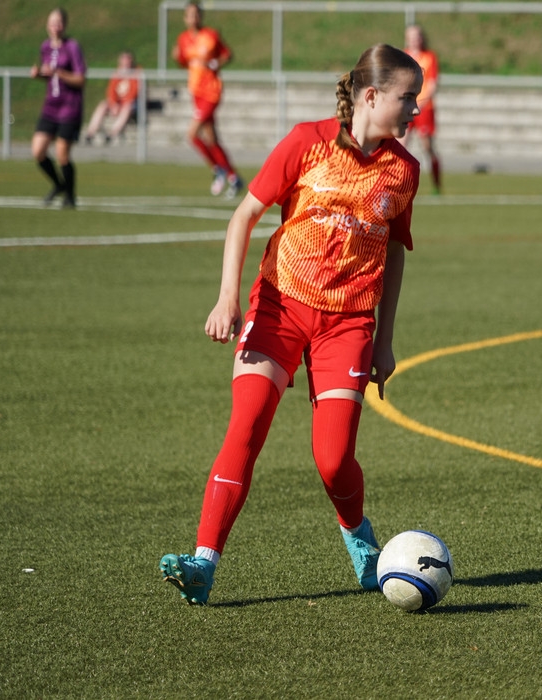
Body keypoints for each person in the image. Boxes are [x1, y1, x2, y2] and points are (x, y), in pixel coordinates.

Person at [159, 44, 424, 605]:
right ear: (371, 96)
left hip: (348, 323)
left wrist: (384, 339)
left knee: (333, 460)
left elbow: (395, 252)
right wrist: (227, 298)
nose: (416, 109)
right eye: (408, 98)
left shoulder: (404, 170)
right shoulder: (308, 141)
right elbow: (245, 215)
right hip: (279, 306)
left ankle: (357, 534)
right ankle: (203, 562)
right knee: (247, 427)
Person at [172, 1, 244, 199]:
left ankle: (218, 169)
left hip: (211, 92)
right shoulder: (183, 39)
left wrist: (215, 63)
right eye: (189, 14)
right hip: (196, 92)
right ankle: (233, 177)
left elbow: (227, 54)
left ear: (201, 16)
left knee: (192, 134)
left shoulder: (210, 35)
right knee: (212, 140)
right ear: (185, 18)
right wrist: (177, 57)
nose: (193, 18)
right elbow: (184, 62)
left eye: (196, 14)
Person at [31, 7, 85, 209]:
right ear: (47, 25)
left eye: (59, 23)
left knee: (62, 153)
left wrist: (59, 72)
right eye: (52, 23)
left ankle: (70, 197)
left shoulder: (72, 47)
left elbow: (80, 79)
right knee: (38, 151)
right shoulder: (45, 47)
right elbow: (49, 76)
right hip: (50, 107)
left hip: (69, 108)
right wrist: (39, 75)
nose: (56, 27)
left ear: (65, 25)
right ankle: (59, 185)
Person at [400, 24, 442, 193]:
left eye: (417, 36)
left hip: (424, 108)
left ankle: (436, 185)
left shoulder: (430, 57)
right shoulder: (403, 57)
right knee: (400, 146)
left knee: (427, 147)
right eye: (411, 36)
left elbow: (432, 84)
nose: (414, 39)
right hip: (406, 108)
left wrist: (420, 103)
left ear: (422, 38)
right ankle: (399, 185)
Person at [83, 51, 140, 145]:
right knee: (103, 105)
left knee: (127, 107)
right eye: (123, 60)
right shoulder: (117, 73)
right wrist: (114, 104)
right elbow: (111, 91)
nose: (125, 62)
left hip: (131, 103)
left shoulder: (137, 72)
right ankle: (90, 133)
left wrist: (122, 104)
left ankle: (112, 134)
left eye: (127, 59)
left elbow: (134, 92)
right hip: (118, 102)